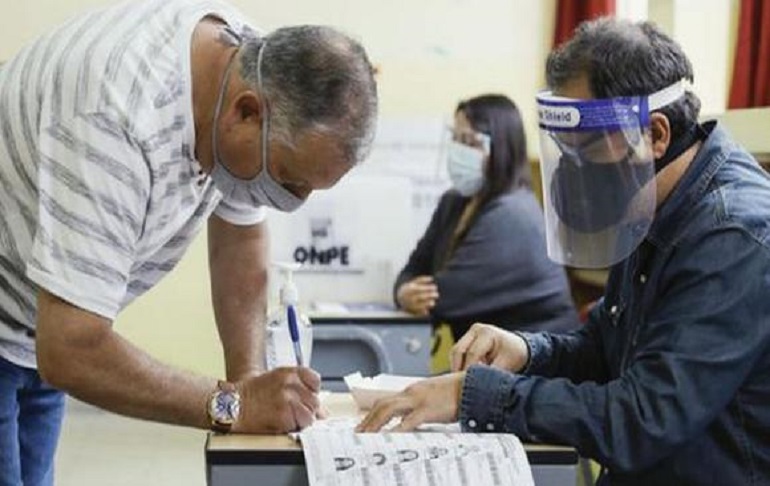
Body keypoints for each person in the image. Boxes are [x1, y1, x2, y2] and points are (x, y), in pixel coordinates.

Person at [358, 17, 770, 485]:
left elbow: (643, 419)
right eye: (565, 153)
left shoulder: (735, 233)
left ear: (654, 136)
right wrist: (527, 350)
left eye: (585, 151)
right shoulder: (650, 201)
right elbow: (602, 349)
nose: (573, 174)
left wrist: (473, 395)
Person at [0, 0, 377, 483]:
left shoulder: (251, 68)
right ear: (247, 113)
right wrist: (232, 405)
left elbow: (239, 244)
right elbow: (72, 348)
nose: (291, 201)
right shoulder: (113, 114)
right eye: (288, 179)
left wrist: (247, 379)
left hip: (32, 327)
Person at [394, 95, 577, 344]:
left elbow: (444, 298)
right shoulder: (454, 202)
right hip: (489, 361)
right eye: (455, 138)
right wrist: (403, 292)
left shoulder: (513, 214)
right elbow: (413, 269)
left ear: (501, 148)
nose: (458, 149)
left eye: (469, 141)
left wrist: (407, 293)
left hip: (539, 364)